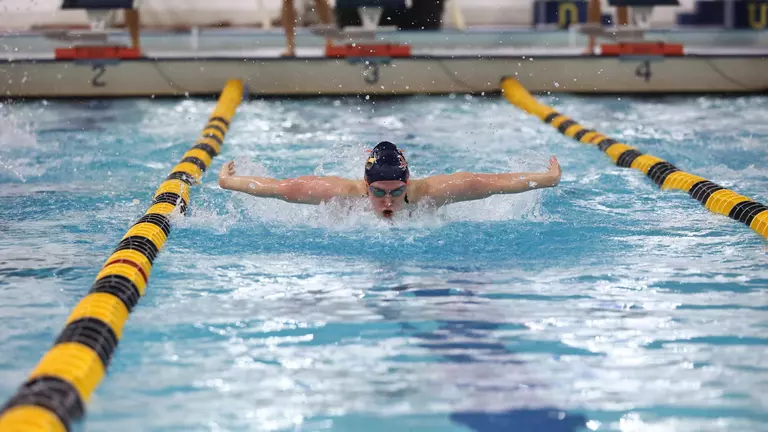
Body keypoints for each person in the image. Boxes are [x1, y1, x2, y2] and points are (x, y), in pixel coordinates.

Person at [218, 141, 562, 219]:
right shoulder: (339, 194)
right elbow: (279, 189)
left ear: (408, 182)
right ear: (364, 185)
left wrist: (545, 179)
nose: (387, 202)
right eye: (378, 193)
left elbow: (496, 183)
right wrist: (228, 182)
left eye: (397, 192)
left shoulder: (435, 192)